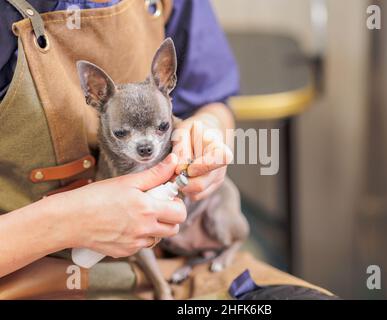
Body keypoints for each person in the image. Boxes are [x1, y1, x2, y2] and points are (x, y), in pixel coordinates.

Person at [0, 0, 238, 278]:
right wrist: (64, 223)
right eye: (123, 133)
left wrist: (207, 132)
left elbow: (212, 101)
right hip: (27, 278)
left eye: (161, 128)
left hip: (164, 263)